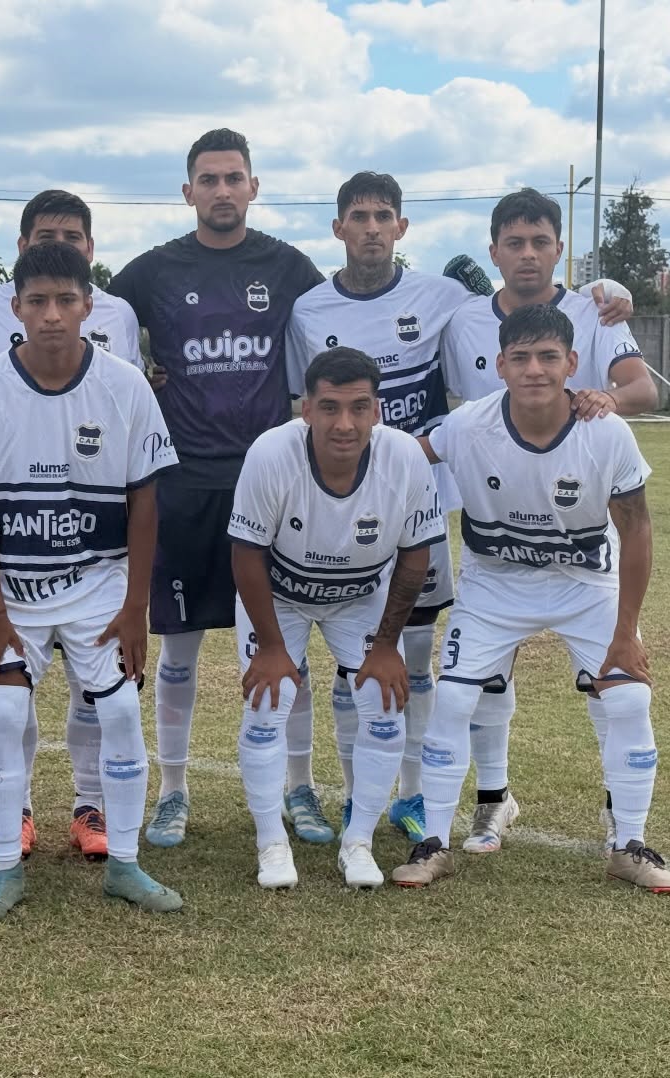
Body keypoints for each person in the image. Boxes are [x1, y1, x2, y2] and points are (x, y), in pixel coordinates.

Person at [391, 303, 670, 895]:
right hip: (494, 586)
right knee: (453, 699)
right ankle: (434, 843)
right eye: (520, 357)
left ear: (572, 363)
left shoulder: (606, 432)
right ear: (499, 365)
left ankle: (629, 845)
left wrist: (626, 632)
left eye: (549, 357)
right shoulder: (468, 425)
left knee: (629, 699)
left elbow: (637, 529)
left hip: (586, 585)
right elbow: (401, 456)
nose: (534, 370)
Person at [108, 127, 324, 847]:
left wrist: (605, 296)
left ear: (254, 187)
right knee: (180, 650)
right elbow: (92, 317)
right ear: (188, 191)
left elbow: (351, 315)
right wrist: (137, 376)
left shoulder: (288, 267)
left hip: (270, 483)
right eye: (209, 179)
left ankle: (299, 787)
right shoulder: (154, 271)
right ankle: (173, 791)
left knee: (284, 646)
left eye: (235, 178)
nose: (223, 190)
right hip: (183, 483)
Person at [0, 242, 182, 920]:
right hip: (14, 592)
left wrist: (136, 605)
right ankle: (4, 869)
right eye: (37, 301)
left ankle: (125, 865)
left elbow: (144, 498)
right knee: (3, 715)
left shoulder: (125, 384)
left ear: (87, 306)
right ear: (16, 308)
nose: (51, 314)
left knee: (120, 712)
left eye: (64, 300)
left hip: (99, 584)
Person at [438, 188, 659, 856]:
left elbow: (642, 388)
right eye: (515, 243)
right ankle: (492, 801)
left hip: (575, 515)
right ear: (494, 251)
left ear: (560, 249)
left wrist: (603, 397)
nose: (528, 255)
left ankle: (623, 822)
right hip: (497, 517)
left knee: (612, 688)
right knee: (483, 680)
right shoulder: (462, 319)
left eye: (540, 242)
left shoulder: (595, 308)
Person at [285, 172, 471, 846]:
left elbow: (513, 313)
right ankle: (354, 793)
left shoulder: (443, 296)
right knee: (352, 661)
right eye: (358, 216)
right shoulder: (308, 311)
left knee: (415, 654)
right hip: (342, 507)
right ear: (338, 228)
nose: (371, 228)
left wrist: (606, 292)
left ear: (401, 227)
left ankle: (412, 795)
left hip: (418, 501)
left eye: (383, 215)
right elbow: (300, 407)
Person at [229, 348, 443, 889]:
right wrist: (272, 648)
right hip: (279, 596)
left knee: (384, 704)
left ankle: (358, 842)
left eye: (358, 407)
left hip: (360, 597)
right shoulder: (270, 453)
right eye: (329, 407)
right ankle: (270, 842)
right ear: (306, 409)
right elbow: (246, 554)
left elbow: (415, 554)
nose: (344, 423)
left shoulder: (404, 457)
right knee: (268, 702)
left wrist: (386, 646)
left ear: (377, 411)